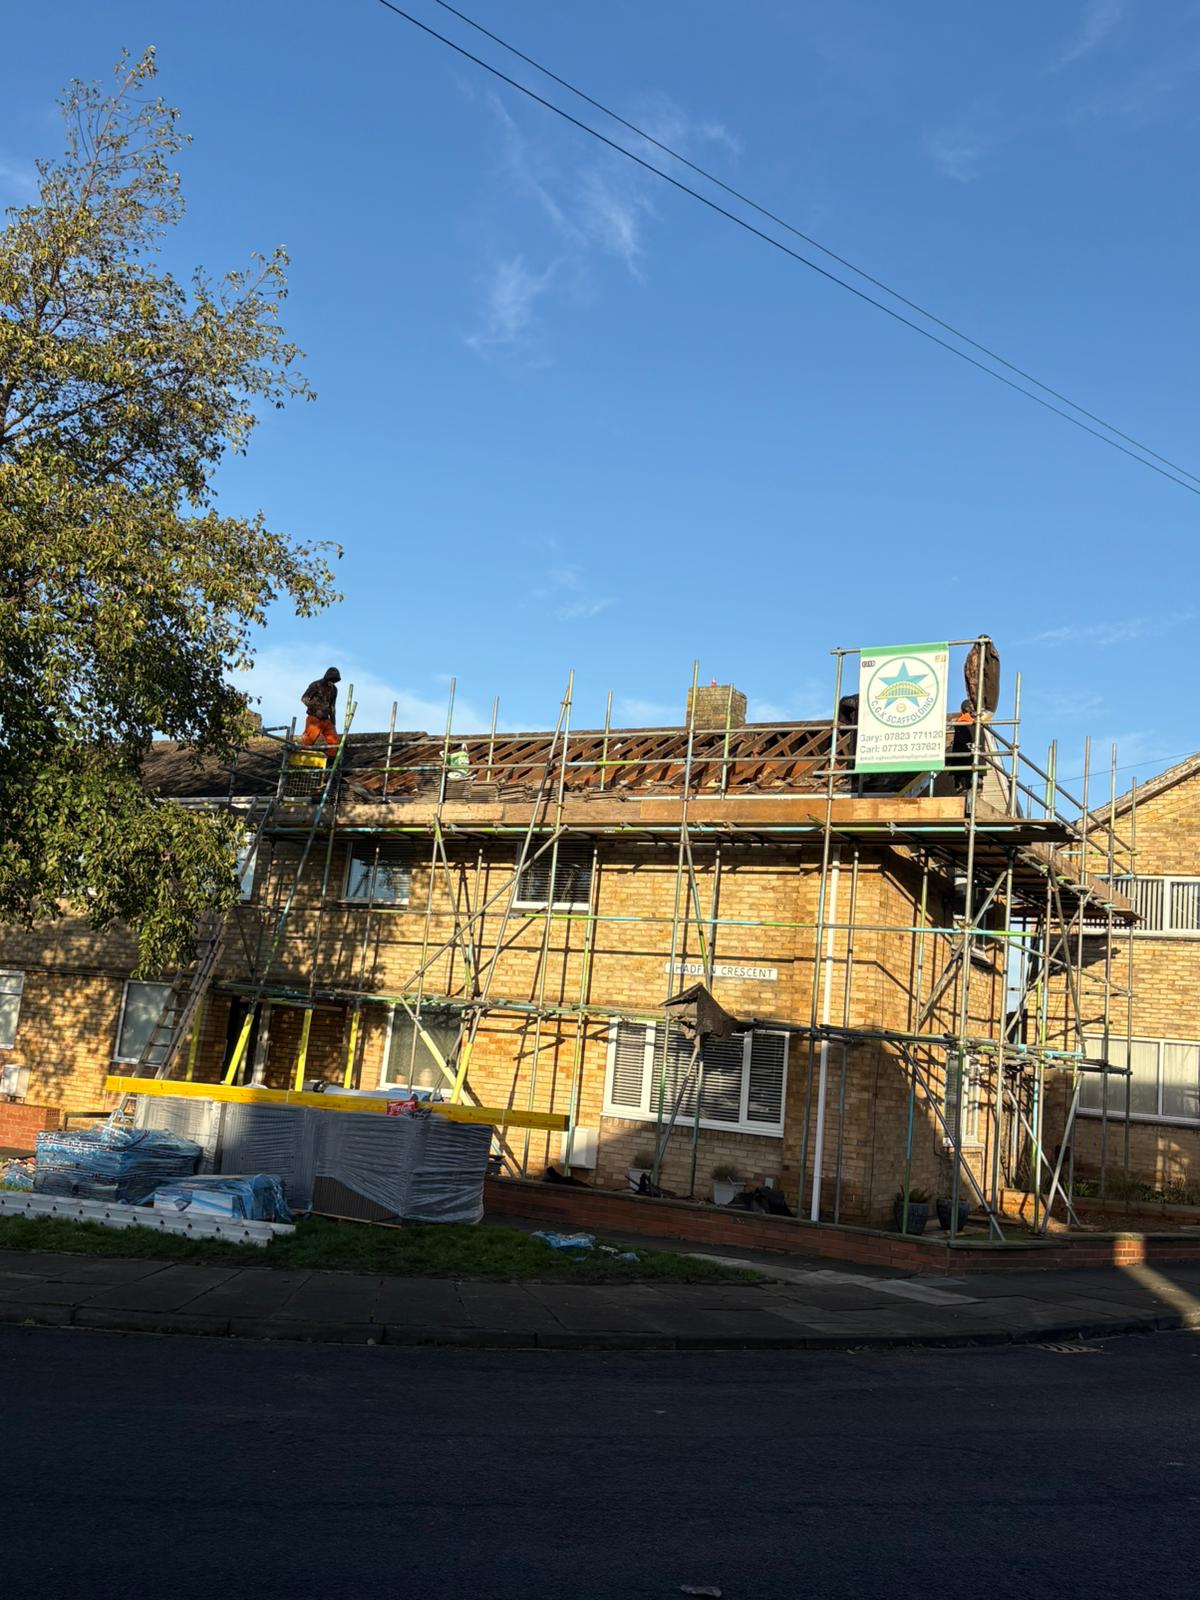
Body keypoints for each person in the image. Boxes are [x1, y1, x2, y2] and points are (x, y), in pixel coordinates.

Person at [298, 667, 341, 749]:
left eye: (334, 680)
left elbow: (332, 707)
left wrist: (333, 723)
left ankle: (330, 760)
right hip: (314, 719)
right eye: (331, 679)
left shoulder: (334, 690)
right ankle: (304, 757)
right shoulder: (316, 685)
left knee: (334, 743)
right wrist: (316, 710)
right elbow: (304, 698)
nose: (332, 682)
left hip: (326, 720)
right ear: (327, 677)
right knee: (308, 740)